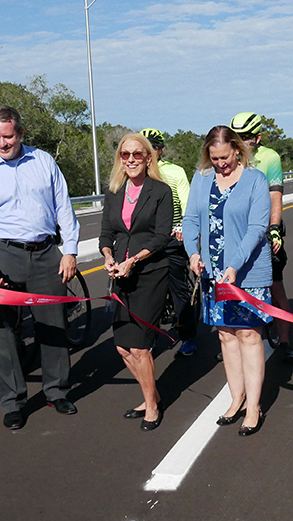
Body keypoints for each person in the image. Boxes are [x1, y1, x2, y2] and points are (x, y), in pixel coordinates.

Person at [0, 106, 80, 430]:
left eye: (8, 136)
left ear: (21, 134)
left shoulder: (43, 162)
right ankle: (13, 401)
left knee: (53, 324)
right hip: (3, 255)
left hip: (45, 253)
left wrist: (69, 252)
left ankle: (57, 391)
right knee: (1, 332)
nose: (2, 143)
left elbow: (64, 209)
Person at [183, 126, 272, 436]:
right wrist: (193, 253)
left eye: (224, 157)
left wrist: (234, 265)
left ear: (237, 149)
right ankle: (236, 399)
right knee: (226, 336)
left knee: (248, 335)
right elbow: (192, 218)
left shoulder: (255, 181)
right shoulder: (203, 178)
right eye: (214, 158)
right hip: (213, 274)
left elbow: (257, 227)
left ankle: (253, 406)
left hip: (246, 273)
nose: (220, 164)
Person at [100, 133, 174, 431]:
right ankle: (151, 393)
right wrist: (108, 255)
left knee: (141, 347)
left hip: (150, 274)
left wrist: (134, 260)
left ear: (148, 158)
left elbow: (161, 236)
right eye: (125, 154)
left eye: (137, 154)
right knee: (122, 348)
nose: (130, 159)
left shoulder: (160, 191)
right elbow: (107, 232)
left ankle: (152, 405)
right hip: (121, 273)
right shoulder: (115, 192)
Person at [229, 112, 293, 365]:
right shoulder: (231, 156)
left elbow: (275, 196)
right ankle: (237, 339)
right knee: (235, 287)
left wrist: (275, 228)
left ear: (257, 137)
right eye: (237, 137)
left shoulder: (269, 157)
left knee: (275, 286)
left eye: (247, 137)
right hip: (238, 230)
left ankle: (286, 342)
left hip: (266, 228)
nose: (242, 142)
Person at [139, 128, 197, 357]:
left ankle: (189, 337)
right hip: (145, 242)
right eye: (143, 147)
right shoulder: (135, 172)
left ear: (160, 150)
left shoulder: (174, 172)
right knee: (143, 293)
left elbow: (187, 204)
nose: (147, 152)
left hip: (171, 240)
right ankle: (146, 339)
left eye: (152, 147)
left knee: (178, 292)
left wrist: (183, 226)